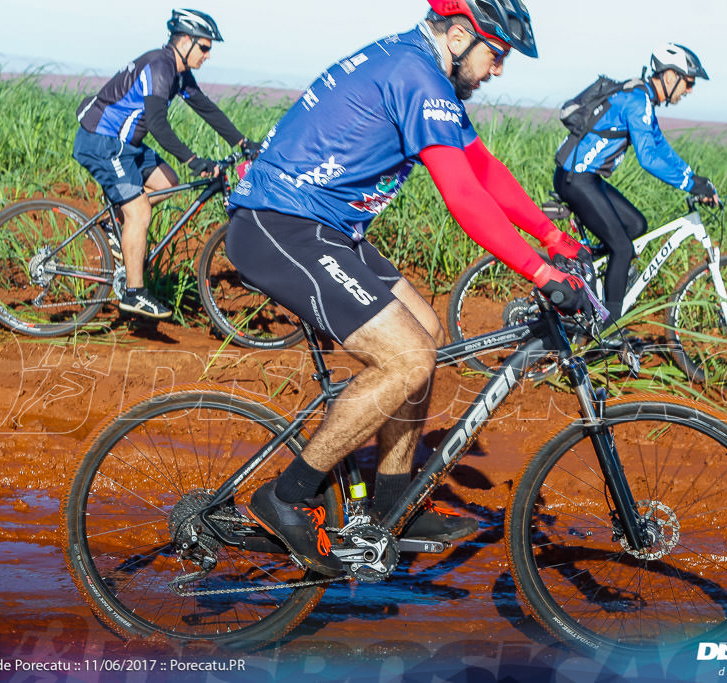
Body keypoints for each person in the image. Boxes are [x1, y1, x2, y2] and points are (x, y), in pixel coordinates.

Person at [226, 0, 594, 576]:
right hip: (282, 225)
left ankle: (390, 506)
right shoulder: (415, 75)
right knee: (407, 358)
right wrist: (542, 272)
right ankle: (286, 496)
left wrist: (554, 237)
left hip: (328, 228)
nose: (498, 70)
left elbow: (482, 169)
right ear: (456, 35)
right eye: (496, 55)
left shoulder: (424, 70)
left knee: (428, 331)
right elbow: (464, 198)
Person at [72, 8, 259, 319]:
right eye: (204, 47)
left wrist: (242, 142)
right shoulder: (160, 67)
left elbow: (206, 108)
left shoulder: (178, 72)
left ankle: (113, 227)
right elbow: (158, 125)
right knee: (140, 210)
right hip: (102, 140)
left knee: (168, 182)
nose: (208, 55)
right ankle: (134, 293)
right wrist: (193, 159)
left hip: (124, 144)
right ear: (184, 41)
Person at [553, 43, 721, 327]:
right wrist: (688, 185)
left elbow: (661, 148)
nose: (689, 89)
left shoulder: (643, 100)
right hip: (576, 178)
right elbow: (649, 158)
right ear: (670, 77)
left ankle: (590, 276)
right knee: (621, 247)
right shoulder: (636, 101)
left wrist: (694, 178)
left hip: (586, 177)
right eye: (688, 82)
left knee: (636, 226)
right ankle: (609, 327)